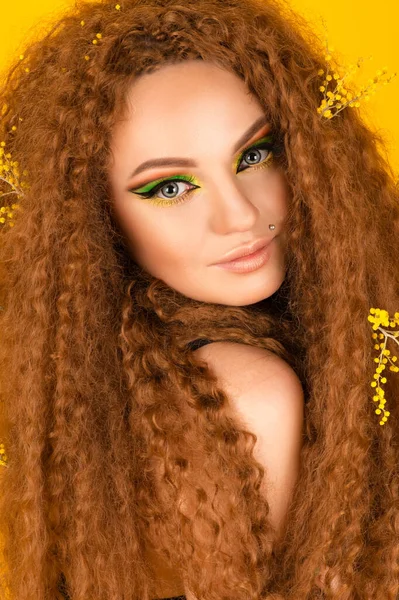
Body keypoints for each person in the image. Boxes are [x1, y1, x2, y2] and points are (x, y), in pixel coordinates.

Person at [0, 0, 398, 598]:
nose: (240, 214)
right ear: (93, 220)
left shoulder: (114, 386)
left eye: (255, 155)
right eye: (170, 187)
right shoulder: (244, 392)